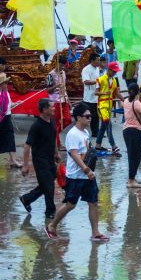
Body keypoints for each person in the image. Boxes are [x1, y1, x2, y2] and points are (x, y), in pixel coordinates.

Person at [48, 103, 108, 241]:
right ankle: (52, 225)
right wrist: (86, 170)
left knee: (93, 202)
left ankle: (95, 232)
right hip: (76, 176)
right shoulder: (73, 134)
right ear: (78, 118)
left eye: (90, 116)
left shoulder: (85, 133)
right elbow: (74, 155)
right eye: (87, 116)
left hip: (88, 176)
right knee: (70, 204)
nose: (90, 118)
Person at [20, 98, 61, 223]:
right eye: (51, 107)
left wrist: (56, 153)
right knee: (49, 186)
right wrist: (25, 165)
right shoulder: (36, 126)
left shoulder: (52, 120)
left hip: (50, 158)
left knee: (47, 183)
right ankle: (50, 212)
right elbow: (27, 146)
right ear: (44, 109)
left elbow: (53, 137)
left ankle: (27, 199)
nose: (54, 108)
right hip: (40, 160)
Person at [121, 83, 141, 188]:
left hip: (126, 131)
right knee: (135, 156)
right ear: (138, 92)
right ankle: (130, 180)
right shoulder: (137, 103)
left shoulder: (125, 101)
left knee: (133, 155)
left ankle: (132, 177)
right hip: (134, 131)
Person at [95, 61, 121, 156]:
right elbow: (96, 92)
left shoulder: (114, 80)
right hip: (102, 106)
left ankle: (98, 144)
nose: (115, 73)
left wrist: (124, 100)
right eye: (114, 71)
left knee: (103, 126)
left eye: (115, 71)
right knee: (108, 126)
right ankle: (113, 146)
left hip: (109, 106)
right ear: (109, 70)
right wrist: (104, 93)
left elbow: (117, 93)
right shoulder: (100, 79)